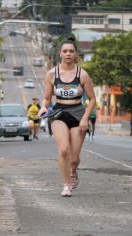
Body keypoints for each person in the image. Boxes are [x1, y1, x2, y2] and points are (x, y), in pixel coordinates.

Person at [38, 36, 96, 197]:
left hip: (78, 113)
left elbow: (92, 100)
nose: (68, 54)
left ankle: (73, 170)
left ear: (76, 54)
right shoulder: (51, 74)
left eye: (71, 51)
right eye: (65, 51)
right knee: (64, 150)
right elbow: (47, 98)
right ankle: (66, 185)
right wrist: (43, 107)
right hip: (59, 113)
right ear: (60, 54)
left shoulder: (83, 75)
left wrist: (85, 118)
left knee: (74, 158)